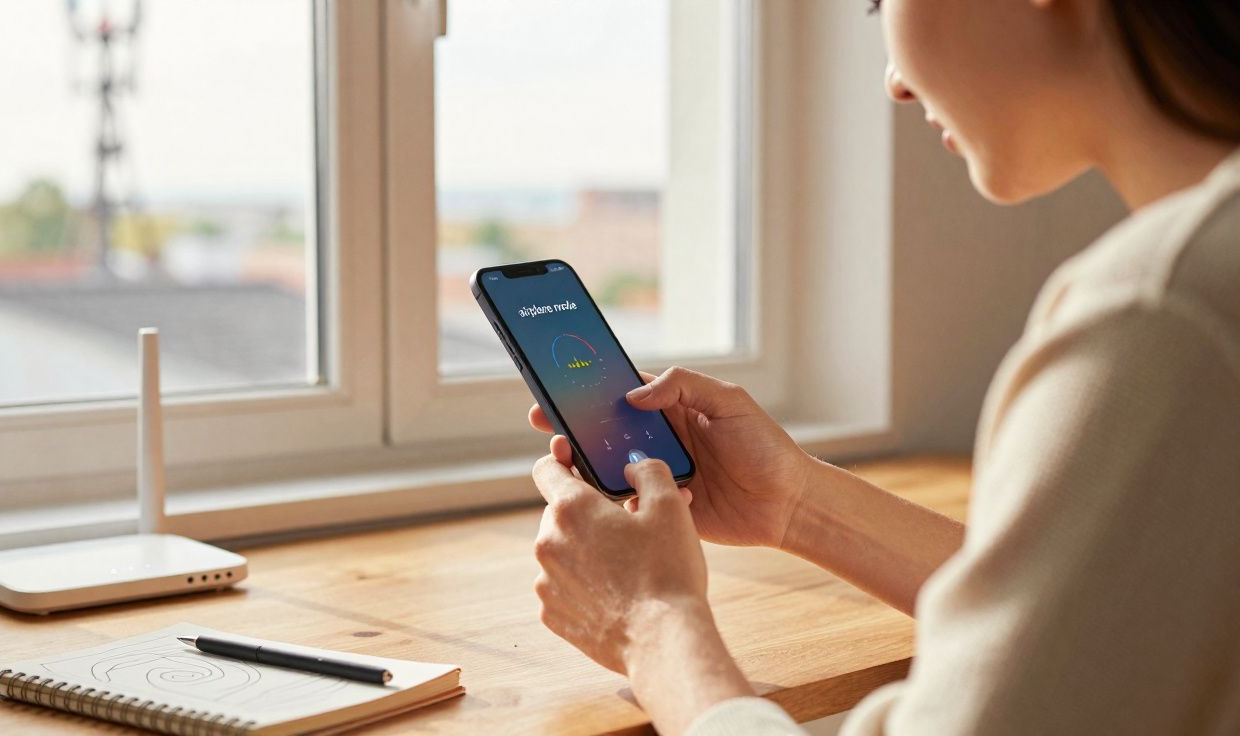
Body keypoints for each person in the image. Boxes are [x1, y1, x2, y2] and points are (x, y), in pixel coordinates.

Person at [526, 1, 1240, 734]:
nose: (894, 81)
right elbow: (1104, 614)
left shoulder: (1168, 316)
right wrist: (795, 504)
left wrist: (652, 625)